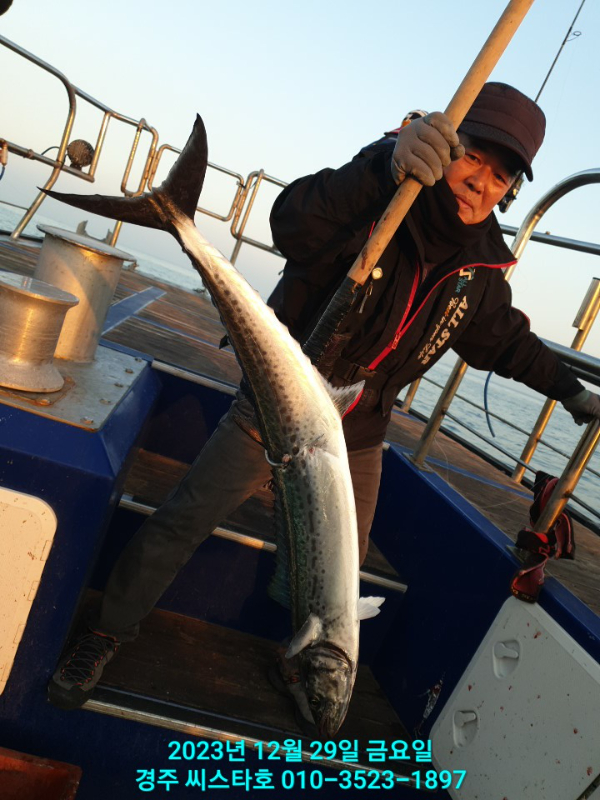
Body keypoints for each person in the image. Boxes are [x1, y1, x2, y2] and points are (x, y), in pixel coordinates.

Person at [48, 82, 600, 718]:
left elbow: (503, 339)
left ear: (510, 192)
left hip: (359, 430)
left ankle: (306, 660)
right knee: (184, 518)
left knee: (341, 572)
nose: (480, 182)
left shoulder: (482, 268)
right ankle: (107, 630)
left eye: (501, 177)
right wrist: (384, 169)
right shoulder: (383, 189)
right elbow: (292, 222)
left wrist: (572, 392)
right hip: (281, 404)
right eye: (473, 156)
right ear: (447, 143)